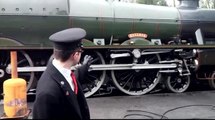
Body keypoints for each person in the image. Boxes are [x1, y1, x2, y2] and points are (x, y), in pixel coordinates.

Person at [33, 28, 93, 120]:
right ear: (75, 54)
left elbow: (68, 84)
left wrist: (82, 70)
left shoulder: (60, 72)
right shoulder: (47, 94)